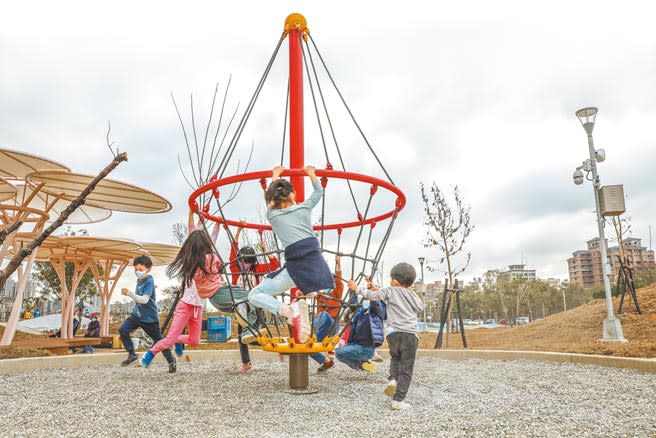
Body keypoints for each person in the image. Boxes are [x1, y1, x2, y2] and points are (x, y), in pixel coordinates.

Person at [245, 165, 334, 342]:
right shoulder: (304, 208)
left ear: (272, 200)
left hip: (294, 269)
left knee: (253, 295)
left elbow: (269, 201)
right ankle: (308, 291)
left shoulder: (272, 215)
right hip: (316, 266)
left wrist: (275, 175)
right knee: (319, 288)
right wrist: (311, 174)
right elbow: (318, 192)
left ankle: (287, 310)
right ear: (292, 194)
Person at [140, 211, 220, 370]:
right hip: (185, 305)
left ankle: (177, 340)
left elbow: (211, 240)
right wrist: (190, 212)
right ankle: (150, 353)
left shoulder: (208, 258)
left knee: (195, 341)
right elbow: (192, 231)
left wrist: (217, 225)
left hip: (198, 307)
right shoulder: (191, 260)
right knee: (169, 339)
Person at [349, 262, 424, 411]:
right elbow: (420, 307)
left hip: (393, 335)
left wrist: (357, 289)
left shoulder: (390, 291)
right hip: (410, 335)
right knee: (406, 368)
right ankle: (398, 400)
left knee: (395, 358)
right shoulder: (412, 294)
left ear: (394, 280)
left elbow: (375, 296)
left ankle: (393, 380)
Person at [226, 222, 281, 372]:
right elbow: (233, 250)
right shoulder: (235, 268)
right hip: (242, 306)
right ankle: (246, 363)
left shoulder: (256, 270)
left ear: (253, 262)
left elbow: (275, 265)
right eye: (244, 261)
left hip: (256, 305)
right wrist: (238, 230)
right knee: (243, 336)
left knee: (254, 334)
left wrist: (265, 250)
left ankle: (273, 345)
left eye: (248, 262)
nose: (246, 264)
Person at [119, 255, 176, 372]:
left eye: (140, 270)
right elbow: (138, 298)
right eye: (136, 269)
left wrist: (129, 293)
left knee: (159, 341)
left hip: (149, 318)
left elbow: (144, 300)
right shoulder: (139, 279)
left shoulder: (149, 281)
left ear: (148, 269)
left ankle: (171, 360)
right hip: (137, 315)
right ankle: (132, 354)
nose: (137, 272)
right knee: (123, 330)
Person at [311, 255, 344, 373]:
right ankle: (326, 362)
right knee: (307, 347)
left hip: (332, 325)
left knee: (324, 315)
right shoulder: (319, 295)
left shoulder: (336, 293)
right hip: (320, 327)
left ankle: (318, 340)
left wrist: (338, 263)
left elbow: (339, 280)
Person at [335, 298, 386, 372]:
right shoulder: (357, 318)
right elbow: (353, 305)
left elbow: (376, 306)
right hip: (358, 346)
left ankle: (361, 364)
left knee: (339, 353)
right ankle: (363, 363)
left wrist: (373, 294)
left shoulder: (372, 316)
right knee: (339, 353)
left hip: (365, 348)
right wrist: (353, 291)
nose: (351, 315)